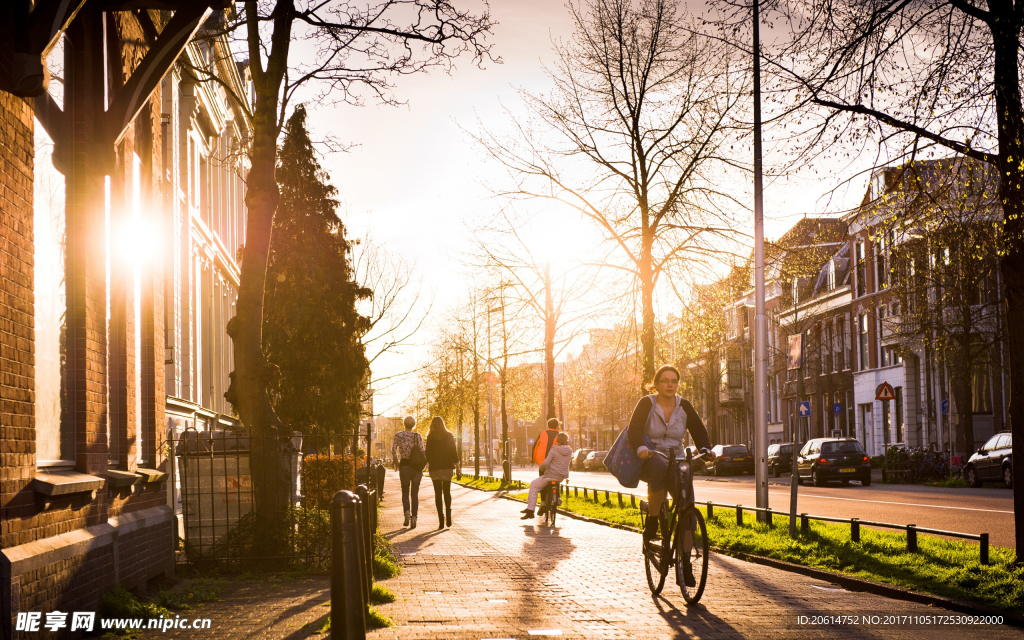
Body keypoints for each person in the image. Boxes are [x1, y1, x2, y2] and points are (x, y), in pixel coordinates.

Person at [629, 365, 714, 542]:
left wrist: (705, 449)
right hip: (652, 453)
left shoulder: (684, 405)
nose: (670, 385)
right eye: (665, 381)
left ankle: (688, 536)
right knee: (659, 468)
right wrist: (640, 448)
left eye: (674, 381)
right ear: (656, 384)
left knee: (685, 488)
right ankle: (653, 521)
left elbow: (698, 430)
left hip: (677, 455)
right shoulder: (647, 403)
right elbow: (634, 429)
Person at [521, 432, 572, 519]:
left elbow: (546, 462)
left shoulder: (554, 449)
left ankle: (530, 510)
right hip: (561, 476)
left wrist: (542, 468)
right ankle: (557, 499)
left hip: (550, 475)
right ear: (567, 441)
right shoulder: (569, 450)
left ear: (557, 440)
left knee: (534, 485)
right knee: (554, 484)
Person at [425, 416, 461, 529]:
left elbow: (428, 454)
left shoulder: (430, 437)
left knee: (437, 494)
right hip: (447, 468)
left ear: (432, 425)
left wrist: (429, 463)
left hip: (435, 468)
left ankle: (441, 520)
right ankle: (449, 516)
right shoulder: (449, 435)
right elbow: (453, 452)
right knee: (447, 492)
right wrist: (457, 465)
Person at [391, 415, 425, 529]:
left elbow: (393, 450)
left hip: (404, 466)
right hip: (416, 467)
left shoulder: (398, 435)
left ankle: (406, 513)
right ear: (413, 424)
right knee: (414, 493)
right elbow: (422, 451)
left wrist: (396, 462)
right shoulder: (417, 436)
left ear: (404, 424)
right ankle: (414, 517)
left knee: (405, 491)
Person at [532, 418, 562, 506]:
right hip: (555, 463)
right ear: (557, 426)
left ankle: (543, 502)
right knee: (556, 479)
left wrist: (533, 460)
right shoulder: (560, 435)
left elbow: (535, 447)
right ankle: (558, 497)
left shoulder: (542, 433)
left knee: (543, 481)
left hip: (542, 462)